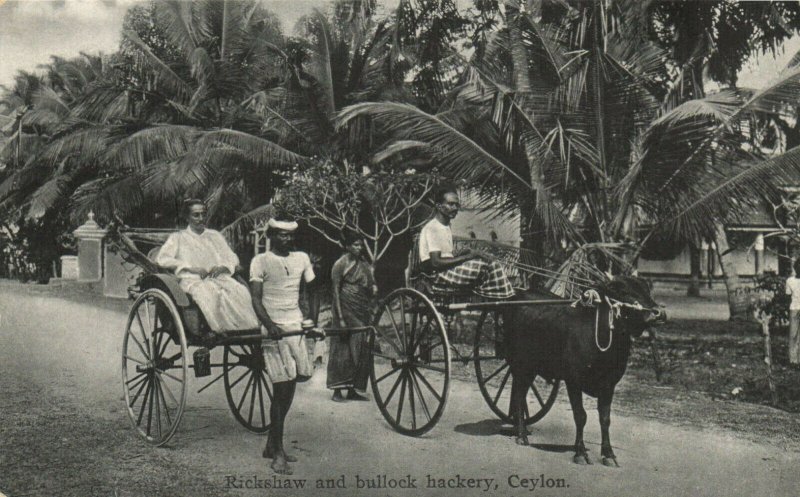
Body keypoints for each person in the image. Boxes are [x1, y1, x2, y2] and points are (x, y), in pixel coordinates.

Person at [250, 218, 319, 475]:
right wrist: (269, 325)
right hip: (273, 327)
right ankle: (277, 451)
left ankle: (272, 444)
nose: (286, 239)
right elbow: (256, 299)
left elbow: (314, 289)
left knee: (291, 385)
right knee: (281, 388)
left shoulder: (301, 258)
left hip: (296, 325)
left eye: (290, 235)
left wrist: (311, 320)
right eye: (281, 235)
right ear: (271, 235)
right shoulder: (261, 261)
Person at [155, 199, 259, 333]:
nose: (201, 218)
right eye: (196, 215)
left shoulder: (214, 236)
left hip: (219, 279)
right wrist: (189, 267)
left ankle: (245, 329)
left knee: (241, 291)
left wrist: (224, 266)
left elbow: (231, 257)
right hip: (192, 280)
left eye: (203, 214)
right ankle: (218, 330)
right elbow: (162, 259)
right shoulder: (178, 238)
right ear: (187, 217)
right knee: (209, 294)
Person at [418, 184, 515, 299]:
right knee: (489, 265)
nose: (455, 208)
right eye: (450, 204)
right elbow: (435, 262)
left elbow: (446, 256)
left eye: (456, 204)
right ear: (439, 206)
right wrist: (469, 256)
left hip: (446, 270)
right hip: (438, 274)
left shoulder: (445, 226)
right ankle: (505, 297)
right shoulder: (433, 228)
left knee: (489, 260)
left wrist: (466, 252)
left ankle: (499, 296)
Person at [327, 230, 376, 402]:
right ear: (347, 246)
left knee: (362, 347)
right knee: (343, 348)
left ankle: (354, 388)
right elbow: (335, 291)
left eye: (361, 245)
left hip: (361, 308)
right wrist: (339, 317)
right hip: (345, 309)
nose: (359, 248)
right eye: (355, 245)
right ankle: (337, 390)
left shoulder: (363, 263)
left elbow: (369, 282)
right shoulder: (340, 264)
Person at [785, 258, 800, 366]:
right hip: (794, 308)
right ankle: (794, 359)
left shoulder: (790, 280)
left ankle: (794, 359)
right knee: (793, 334)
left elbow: (788, 294)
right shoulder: (790, 280)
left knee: (793, 334)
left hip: (794, 308)